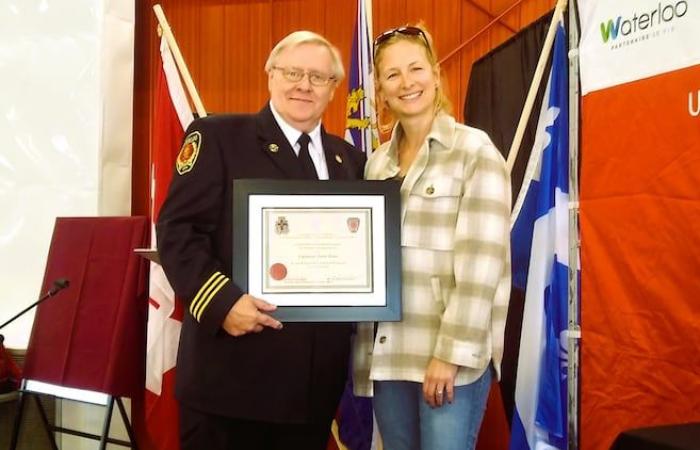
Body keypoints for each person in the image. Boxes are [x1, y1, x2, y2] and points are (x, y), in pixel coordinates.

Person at [156, 31, 365, 450]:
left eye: (318, 77)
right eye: (293, 72)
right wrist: (222, 302)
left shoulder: (351, 161)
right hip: (230, 382)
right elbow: (178, 231)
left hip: (313, 390)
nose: (303, 85)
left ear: (333, 89)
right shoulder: (218, 137)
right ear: (271, 75)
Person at [352, 25, 511, 450]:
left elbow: (483, 265)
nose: (407, 83)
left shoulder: (475, 151)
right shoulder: (375, 165)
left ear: (436, 75)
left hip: (447, 358)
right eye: (392, 75)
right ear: (381, 92)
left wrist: (450, 354)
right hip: (388, 356)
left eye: (416, 69)